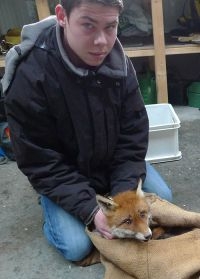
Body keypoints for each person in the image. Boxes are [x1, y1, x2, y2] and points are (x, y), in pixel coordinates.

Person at [3, 0, 172, 263]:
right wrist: (91, 211)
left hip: (110, 163)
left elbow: (132, 139)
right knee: (76, 246)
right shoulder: (30, 76)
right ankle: (53, 204)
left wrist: (122, 197)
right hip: (64, 173)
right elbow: (40, 161)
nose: (102, 42)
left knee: (163, 200)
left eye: (111, 26)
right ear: (62, 16)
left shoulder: (120, 64)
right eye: (88, 25)